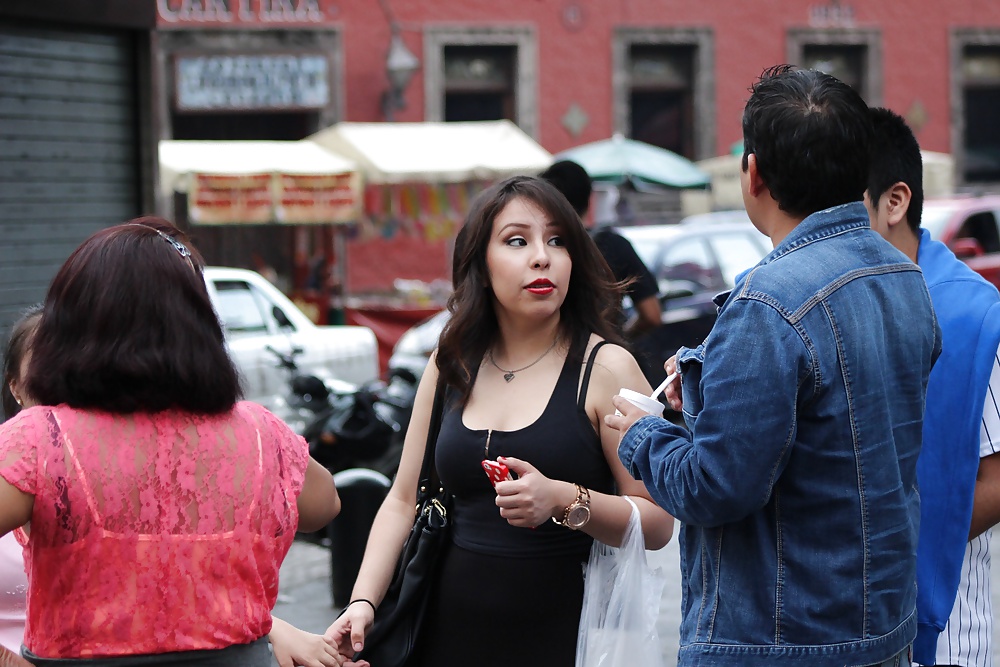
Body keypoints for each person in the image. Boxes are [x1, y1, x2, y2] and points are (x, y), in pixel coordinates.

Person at [608, 65, 941, 667]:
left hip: (780, 640)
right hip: (881, 627)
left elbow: (715, 488)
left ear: (753, 173)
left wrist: (641, 435)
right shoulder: (905, 276)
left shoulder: (768, 304)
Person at [325, 176, 674, 667]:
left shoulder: (608, 367)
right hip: (443, 635)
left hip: (565, 638)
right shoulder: (451, 364)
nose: (541, 257)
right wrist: (362, 602)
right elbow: (402, 500)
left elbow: (657, 522)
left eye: (557, 241)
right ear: (481, 267)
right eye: (517, 241)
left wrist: (564, 500)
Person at [0, 218, 343, 666]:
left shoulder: (40, 439)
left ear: (73, 325)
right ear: (199, 323)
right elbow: (325, 506)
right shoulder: (262, 435)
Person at [865, 107, 1000, 667]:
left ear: (895, 202)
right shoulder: (833, 307)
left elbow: (997, 476)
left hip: (950, 631)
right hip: (844, 623)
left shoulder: (976, 318)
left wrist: (889, 547)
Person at [539, 160, 661, 336]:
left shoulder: (539, 252)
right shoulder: (615, 245)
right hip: (607, 353)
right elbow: (652, 315)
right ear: (590, 199)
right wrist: (619, 339)